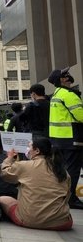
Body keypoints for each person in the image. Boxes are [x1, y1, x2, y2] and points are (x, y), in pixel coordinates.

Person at [0, 137, 72, 230]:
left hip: (29, 220)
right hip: (60, 222)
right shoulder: (63, 171)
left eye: (29, 147)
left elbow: (5, 174)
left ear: (37, 150)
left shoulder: (25, 165)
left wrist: (9, 159)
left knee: (3, 199)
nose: (27, 150)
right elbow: (67, 195)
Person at [47, 67, 83, 209]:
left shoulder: (57, 93)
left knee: (61, 169)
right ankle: (71, 198)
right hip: (71, 137)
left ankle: (63, 195)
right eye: (66, 75)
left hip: (58, 138)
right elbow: (80, 116)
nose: (69, 76)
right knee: (73, 170)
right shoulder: (69, 95)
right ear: (62, 79)